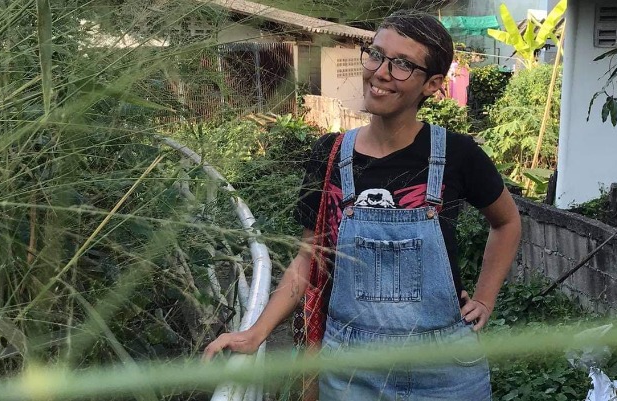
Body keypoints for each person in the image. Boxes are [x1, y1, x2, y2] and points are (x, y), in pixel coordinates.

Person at [203, 10, 521, 400]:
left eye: (402, 64)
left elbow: (507, 222)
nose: (381, 72)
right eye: (376, 54)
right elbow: (308, 259)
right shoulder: (330, 155)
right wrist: (256, 332)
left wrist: (485, 298)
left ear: (433, 84)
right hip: (350, 368)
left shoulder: (458, 154)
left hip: (445, 370)